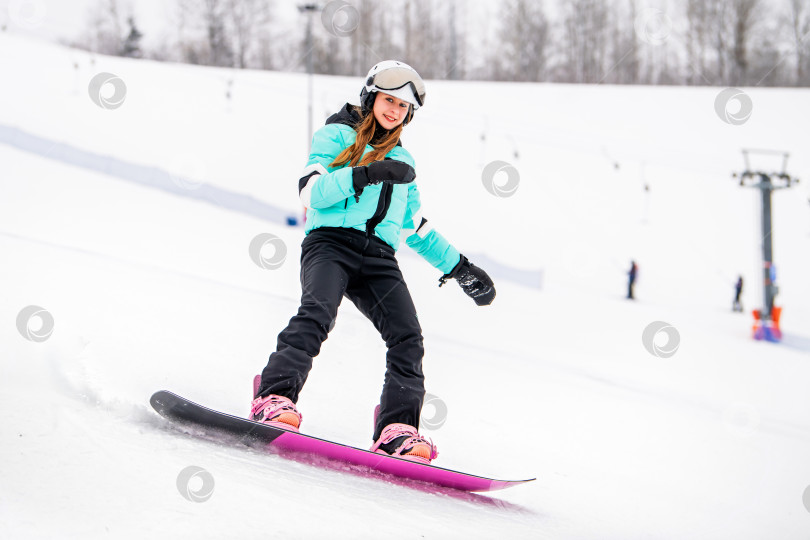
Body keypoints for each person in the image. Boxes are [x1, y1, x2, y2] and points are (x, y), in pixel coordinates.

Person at [251, 61, 495, 464]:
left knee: (407, 337)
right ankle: (274, 396)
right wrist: (366, 173)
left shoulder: (404, 163)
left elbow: (413, 227)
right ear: (371, 97)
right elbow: (311, 193)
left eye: (403, 106)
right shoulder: (335, 135)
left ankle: (397, 430)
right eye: (389, 100)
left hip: (379, 258)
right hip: (330, 244)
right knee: (318, 312)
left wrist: (460, 268)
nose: (395, 110)